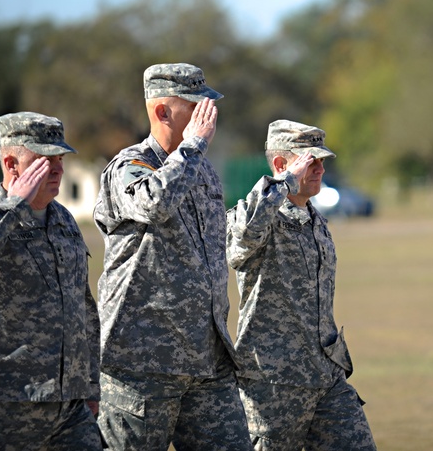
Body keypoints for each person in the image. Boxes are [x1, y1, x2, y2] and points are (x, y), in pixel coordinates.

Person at [94, 63, 251, 450]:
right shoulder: (130, 167)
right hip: (144, 363)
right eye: (195, 105)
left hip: (206, 359)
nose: (207, 114)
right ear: (162, 112)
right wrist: (193, 145)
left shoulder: (204, 173)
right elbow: (152, 203)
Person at [0, 111, 101, 450]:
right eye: (45, 159)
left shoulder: (64, 221)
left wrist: (89, 386)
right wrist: (13, 207)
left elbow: (82, 308)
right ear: (11, 163)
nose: (58, 168)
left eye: (60, 158)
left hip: (66, 410)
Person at [227, 120, 377, 451]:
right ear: (282, 165)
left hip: (327, 375)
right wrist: (282, 184)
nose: (321, 169)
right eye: (311, 161)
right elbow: (239, 244)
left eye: (322, 161)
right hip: (274, 383)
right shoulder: (254, 217)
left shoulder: (315, 219)